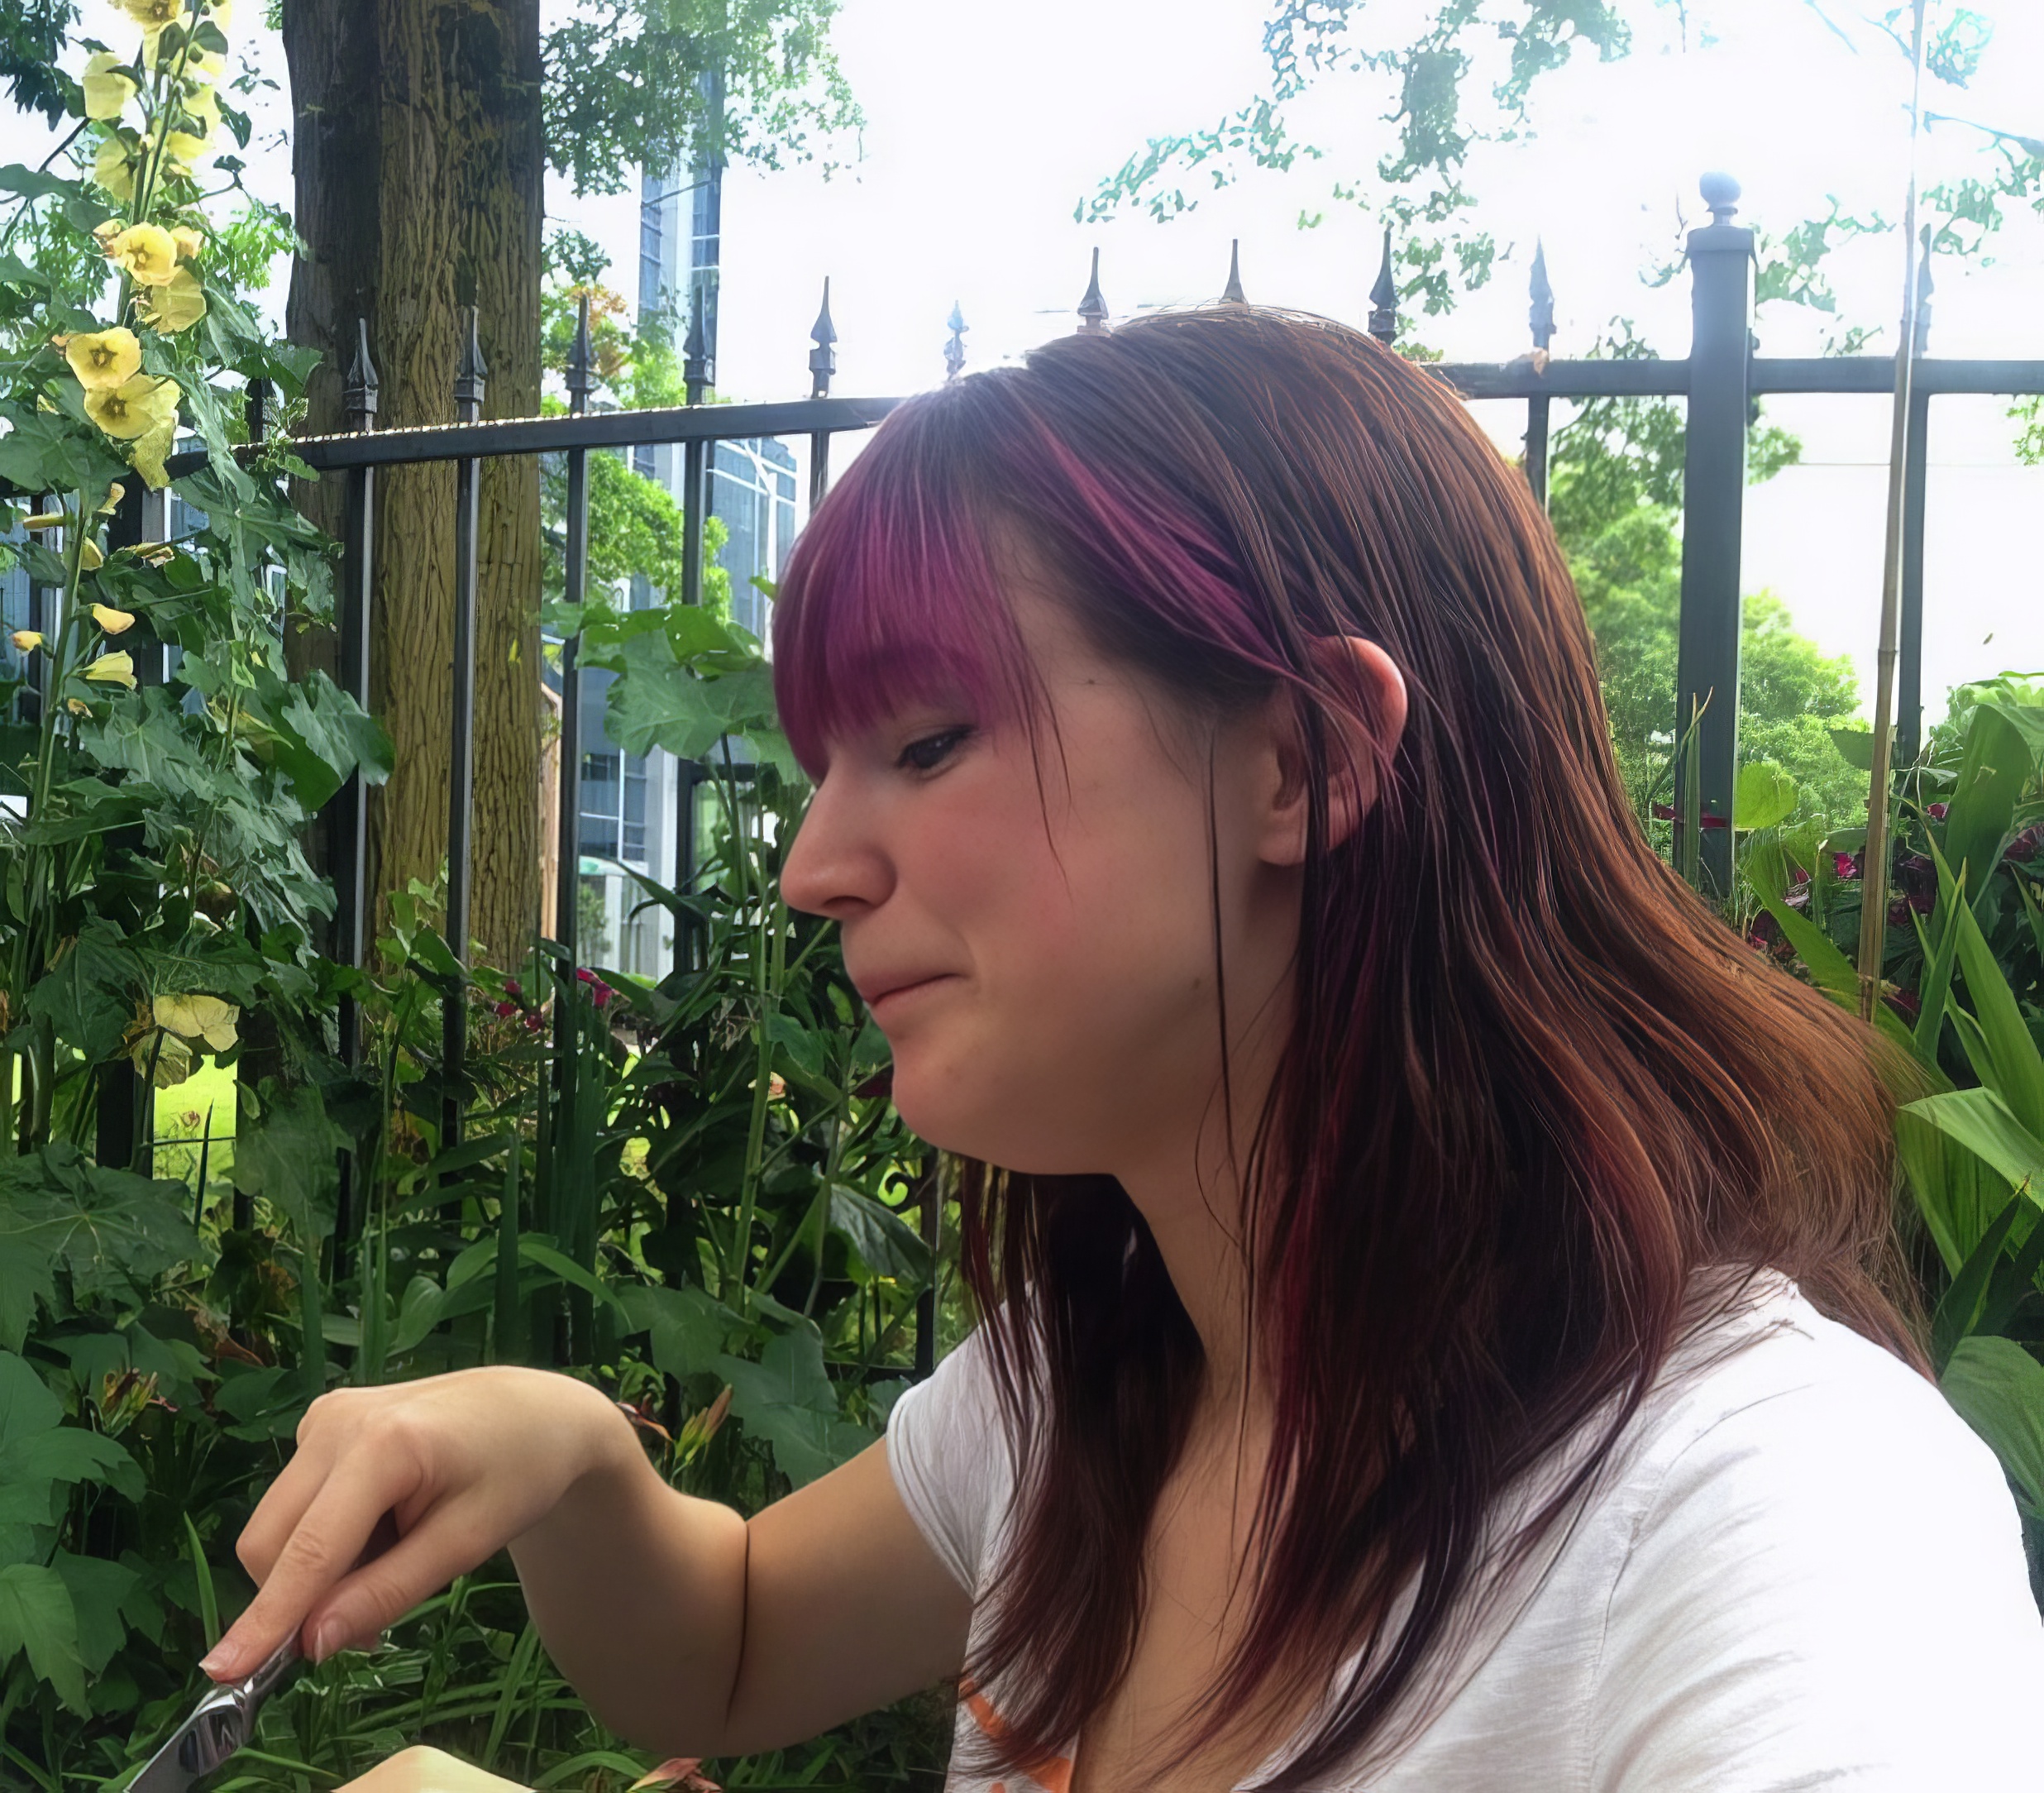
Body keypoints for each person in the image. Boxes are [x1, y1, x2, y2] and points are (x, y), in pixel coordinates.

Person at [204, 308, 2042, 1791]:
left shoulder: (1768, 1512)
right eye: (817, 769)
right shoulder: (1094, 1386)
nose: (815, 862)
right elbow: (739, 1641)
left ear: (1304, 756)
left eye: (926, 742)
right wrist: (573, 1451)